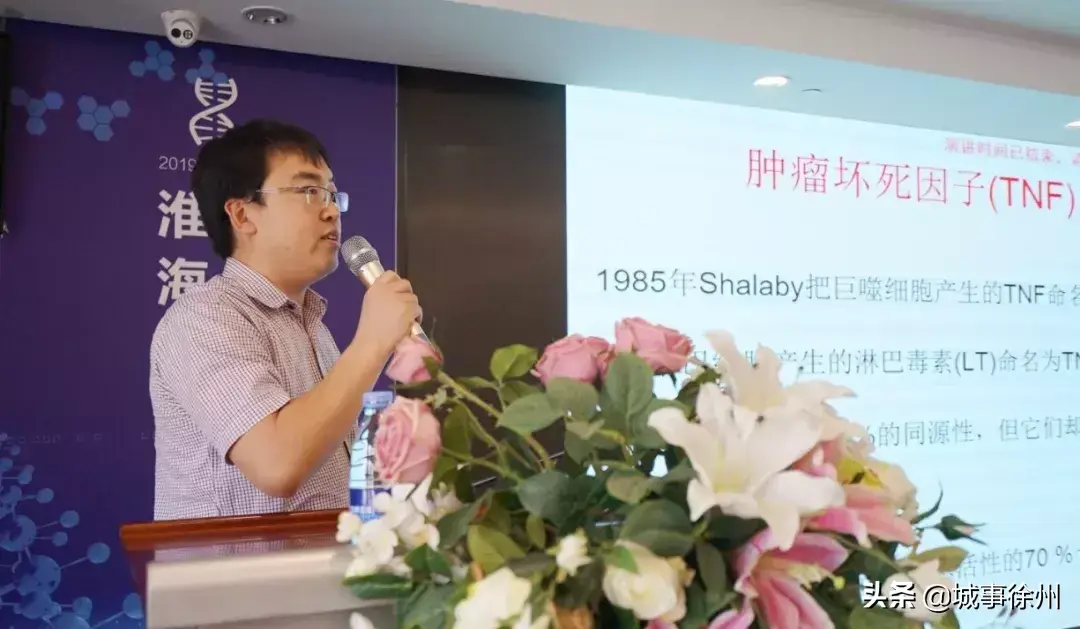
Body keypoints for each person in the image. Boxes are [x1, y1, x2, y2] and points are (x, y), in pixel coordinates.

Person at [149, 119, 419, 520]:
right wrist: (373, 342)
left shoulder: (315, 330)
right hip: (244, 563)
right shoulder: (203, 318)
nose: (331, 210)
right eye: (309, 191)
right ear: (242, 214)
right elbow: (277, 464)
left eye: (332, 194)